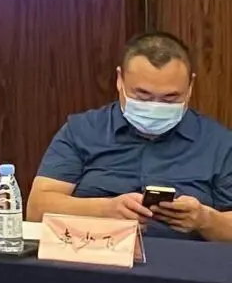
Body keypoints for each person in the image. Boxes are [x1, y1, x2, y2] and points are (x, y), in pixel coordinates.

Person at [28, 31, 232, 241]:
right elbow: (36, 210)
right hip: (95, 255)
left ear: (190, 86)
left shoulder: (219, 143)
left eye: (170, 98)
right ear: (120, 80)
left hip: (187, 259)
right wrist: (105, 209)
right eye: (142, 95)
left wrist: (206, 220)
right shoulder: (81, 131)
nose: (155, 107)